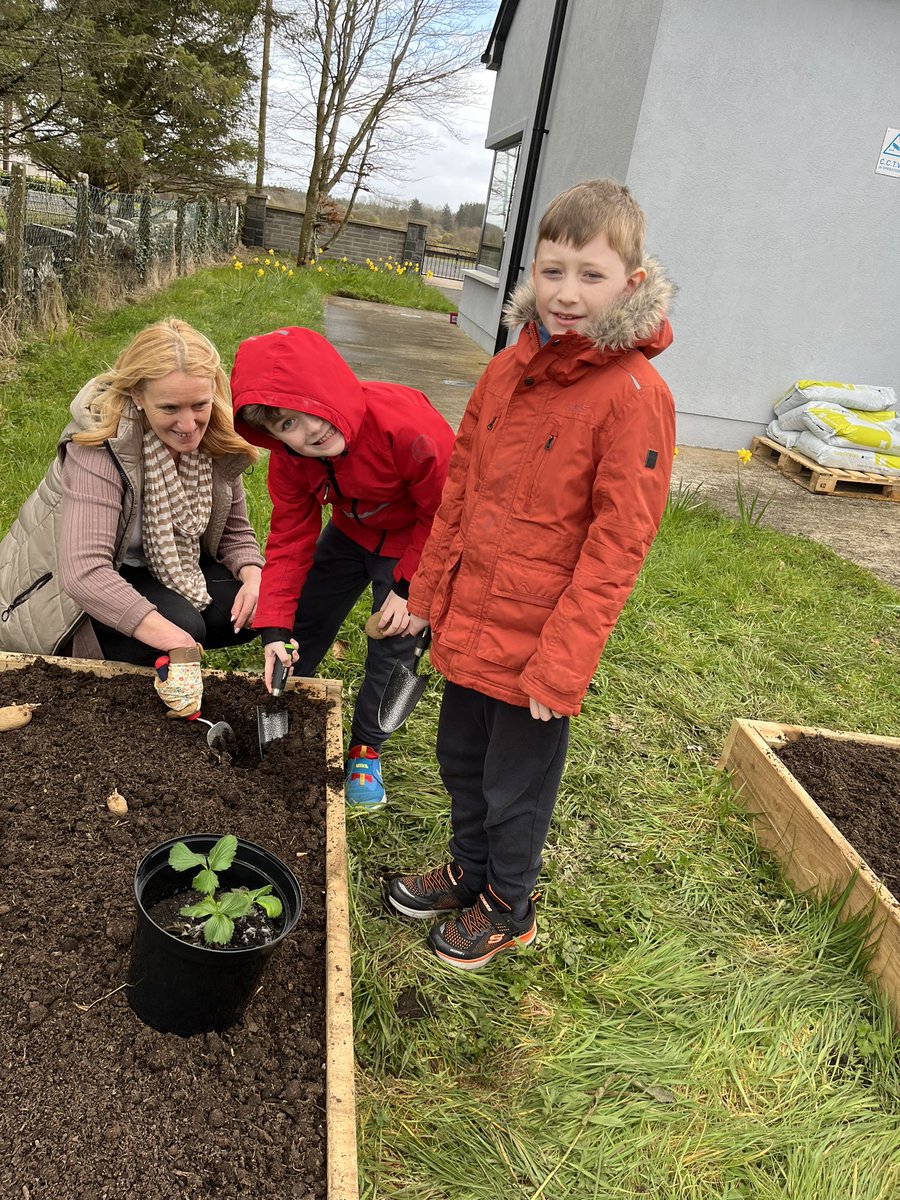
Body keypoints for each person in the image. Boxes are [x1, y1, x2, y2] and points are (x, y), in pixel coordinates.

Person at [384, 178, 677, 969]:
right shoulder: (504, 374)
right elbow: (459, 495)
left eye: (591, 274)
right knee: (462, 764)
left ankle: (509, 905)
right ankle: (470, 872)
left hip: (539, 645)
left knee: (517, 787)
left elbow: (618, 546)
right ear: (530, 272)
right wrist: (426, 596)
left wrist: (562, 664)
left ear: (632, 284)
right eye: (552, 271)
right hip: (474, 620)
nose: (568, 294)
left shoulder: (634, 396)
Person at [230, 325, 455, 808]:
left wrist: (413, 588)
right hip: (350, 533)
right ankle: (284, 702)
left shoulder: (408, 427)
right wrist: (273, 629)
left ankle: (367, 746)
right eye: (286, 425)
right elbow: (290, 539)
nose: (309, 430)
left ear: (333, 387)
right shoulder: (291, 461)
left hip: (413, 537)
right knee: (303, 617)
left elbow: (447, 512)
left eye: (310, 409)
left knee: (396, 639)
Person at [0, 318, 264, 719]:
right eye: (170, 408)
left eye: (200, 404)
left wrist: (254, 575)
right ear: (138, 396)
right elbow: (84, 573)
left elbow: (234, 532)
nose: (189, 424)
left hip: (163, 565)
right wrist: (177, 642)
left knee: (262, 605)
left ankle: (160, 654)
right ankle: (115, 666)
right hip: (68, 594)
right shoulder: (100, 445)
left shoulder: (214, 439)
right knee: (182, 629)